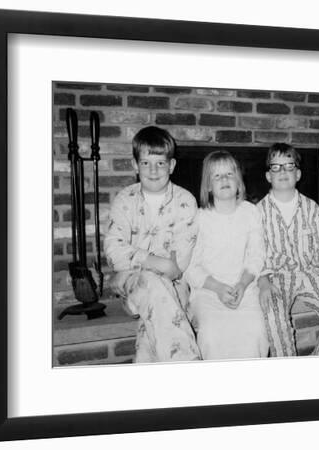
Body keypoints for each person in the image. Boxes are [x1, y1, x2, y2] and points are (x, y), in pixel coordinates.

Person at [104, 126, 201, 363]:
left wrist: (129, 265)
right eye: (146, 163)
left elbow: (177, 267)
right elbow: (112, 250)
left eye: (160, 162)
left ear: (172, 165)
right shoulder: (125, 199)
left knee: (150, 337)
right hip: (134, 283)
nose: (154, 170)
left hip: (174, 287)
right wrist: (153, 260)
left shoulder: (186, 201)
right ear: (135, 166)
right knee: (151, 283)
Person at [257, 143, 319, 357]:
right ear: (268, 176)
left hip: (312, 272)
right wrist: (263, 282)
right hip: (276, 276)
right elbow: (253, 253)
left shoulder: (311, 208)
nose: (283, 171)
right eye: (276, 167)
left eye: (289, 166)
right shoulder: (258, 212)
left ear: (298, 173)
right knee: (273, 314)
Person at [184, 151, 268, 360]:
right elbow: (191, 266)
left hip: (246, 288)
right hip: (209, 291)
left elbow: (257, 255)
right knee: (212, 334)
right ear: (208, 186)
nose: (224, 179)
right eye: (217, 176)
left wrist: (242, 284)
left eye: (229, 174)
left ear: (239, 182)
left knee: (256, 330)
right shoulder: (200, 218)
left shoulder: (250, 212)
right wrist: (219, 288)